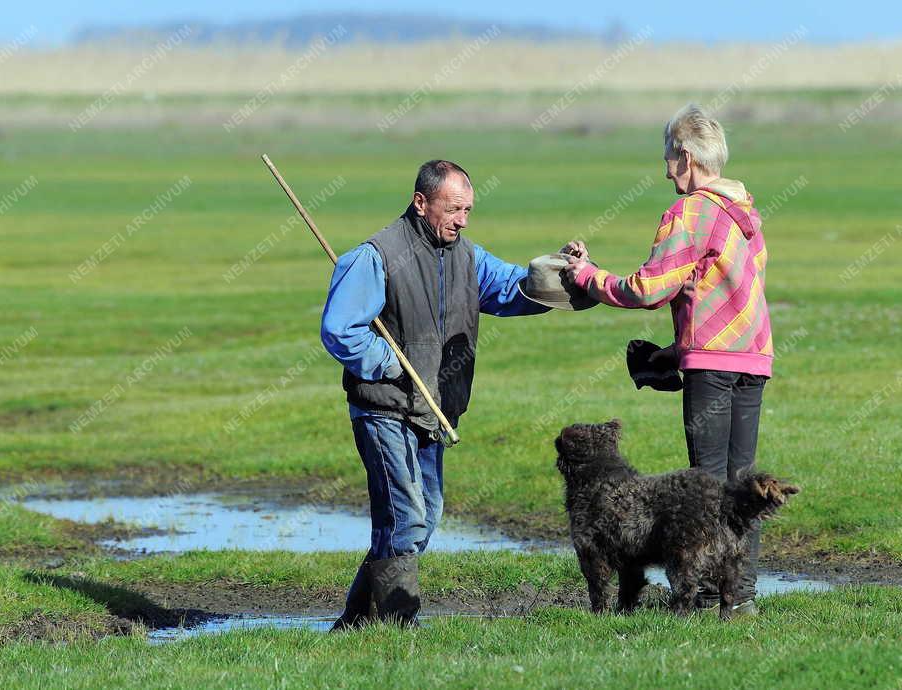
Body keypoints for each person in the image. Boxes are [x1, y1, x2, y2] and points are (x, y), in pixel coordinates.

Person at [563, 104, 773, 616]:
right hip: (753, 357)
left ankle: (702, 596)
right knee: (740, 484)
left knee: (704, 485)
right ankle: (738, 597)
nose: (664, 169)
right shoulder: (745, 212)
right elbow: (724, 292)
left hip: (714, 365)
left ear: (684, 155)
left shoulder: (691, 211)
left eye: (667, 156)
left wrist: (588, 276)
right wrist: (675, 353)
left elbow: (650, 288)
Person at [321, 160, 550, 628]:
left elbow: (513, 290)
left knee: (423, 519)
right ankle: (400, 623)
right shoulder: (374, 257)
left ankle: (357, 621)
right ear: (421, 202)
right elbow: (339, 330)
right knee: (405, 517)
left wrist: (562, 275)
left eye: (467, 210)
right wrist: (389, 363)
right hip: (383, 408)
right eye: (453, 209)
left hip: (433, 410)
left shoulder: (468, 257)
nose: (462, 220)